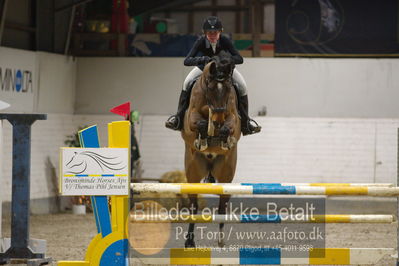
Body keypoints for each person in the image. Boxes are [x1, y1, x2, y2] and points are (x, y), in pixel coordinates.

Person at [165, 16, 261, 136]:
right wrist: (202, 59)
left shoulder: (225, 41)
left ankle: (246, 123)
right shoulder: (200, 41)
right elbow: (187, 60)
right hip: (204, 69)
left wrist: (225, 60)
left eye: (215, 32)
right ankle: (178, 119)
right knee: (187, 82)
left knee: (242, 86)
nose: (212, 35)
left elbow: (239, 59)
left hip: (224, 71)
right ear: (205, 33)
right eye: (209, 33)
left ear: (220, 32)